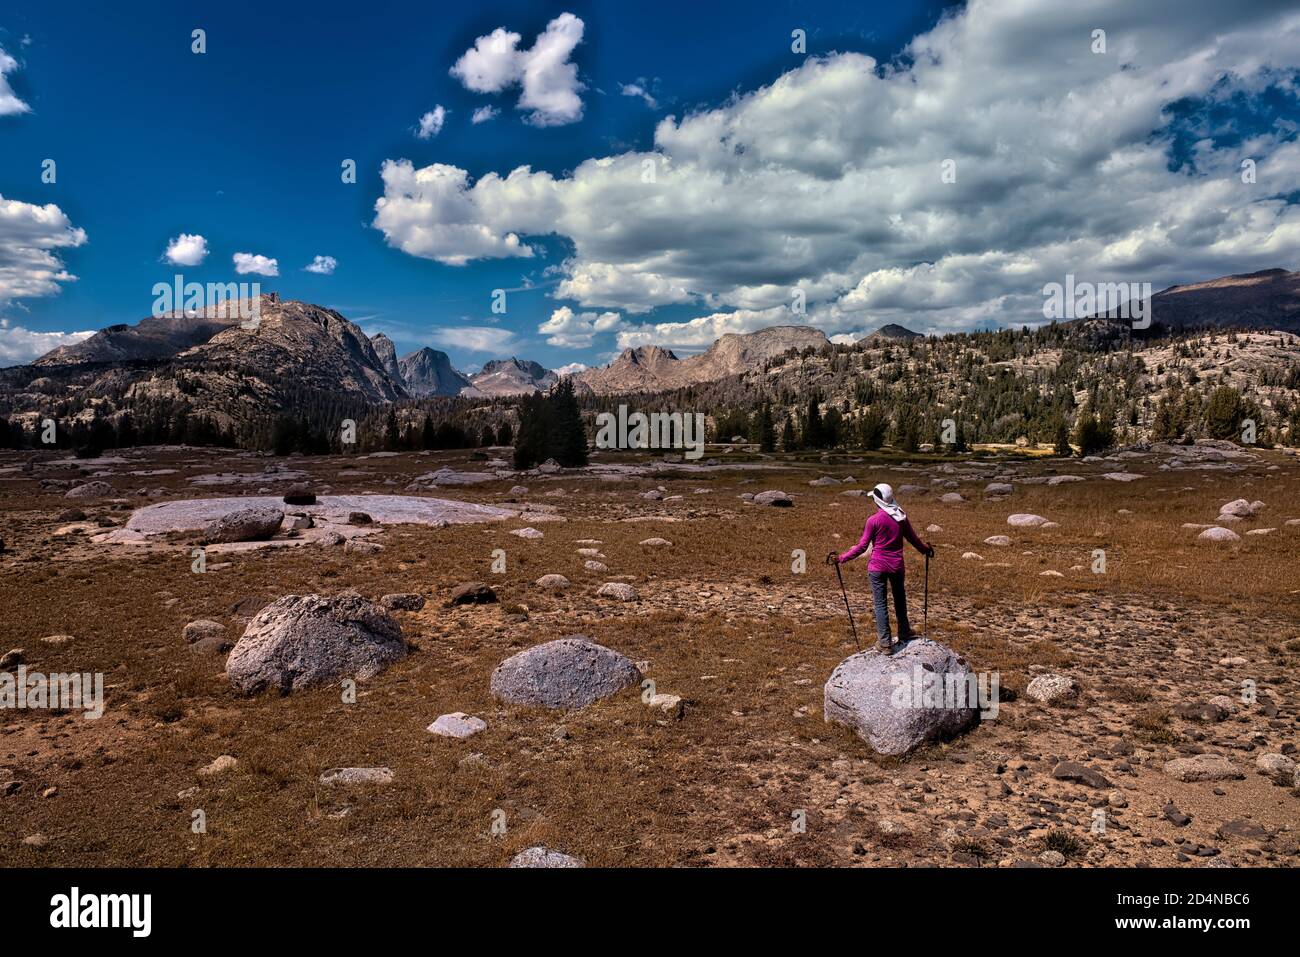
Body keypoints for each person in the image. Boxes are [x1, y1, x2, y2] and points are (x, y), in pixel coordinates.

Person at [831, 483, 934, 655]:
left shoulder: (874, 520)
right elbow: (913, 539)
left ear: (878, 500)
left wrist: (841, 558)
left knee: (880, 604)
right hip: (897, 567)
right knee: (900, 599)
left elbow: (863, 546)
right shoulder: (901, 517)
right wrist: (926, 550)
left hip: (877, 567)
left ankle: (885, 643)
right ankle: (904, 631)